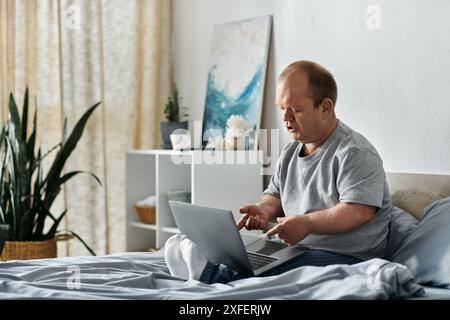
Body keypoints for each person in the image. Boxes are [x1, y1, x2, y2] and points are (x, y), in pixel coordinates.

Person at [164, 60, 392, 284]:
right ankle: (206, 268)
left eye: (296, 109)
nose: (285, 118)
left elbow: (358, 211)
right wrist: (263, 210)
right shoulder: (291, 151)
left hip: (349, 259)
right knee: (245, 259)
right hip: (297, 249)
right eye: (282, 108)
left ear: (325, 107)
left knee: (271, 273)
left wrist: (307, 223)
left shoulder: (355, 152)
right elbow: (276, 195)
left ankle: (208, 275)